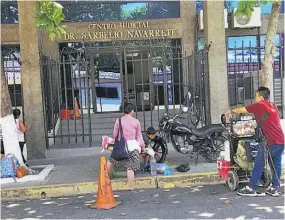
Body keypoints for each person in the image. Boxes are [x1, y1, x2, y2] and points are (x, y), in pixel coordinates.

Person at [225, 86, 284, 197]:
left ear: (261, 97)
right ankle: (274, 188)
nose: (255, 98)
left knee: (258, 163)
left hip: (269, 142)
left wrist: (230, 111)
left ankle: (251, 188)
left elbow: (242, 110)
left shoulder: (260, 105)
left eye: (256, 96)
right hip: (281, 140)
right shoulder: (273, 105)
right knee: (276, 165)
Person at [107, 103, 145, 190]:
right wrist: (143, 148)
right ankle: (130, 186)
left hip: (121, 145)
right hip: (133, 146)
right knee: (130, 167)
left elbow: (115, 134)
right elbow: (139, 137)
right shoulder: (136, 122)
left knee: (111, 160)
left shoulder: (118, 120)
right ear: (132, 111)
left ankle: (105, 178)